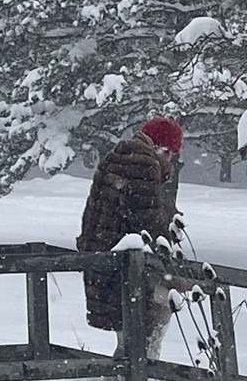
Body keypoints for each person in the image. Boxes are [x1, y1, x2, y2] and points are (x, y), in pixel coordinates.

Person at [77, 116, 183, 360]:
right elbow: (146, 222)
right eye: (171, 153)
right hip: (126, 268)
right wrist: (169, 230)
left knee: (128, 338)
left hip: (103, 262)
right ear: (164, 148)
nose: (170, 159)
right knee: (144, 337)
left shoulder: (118, 155)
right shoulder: (144, 164)